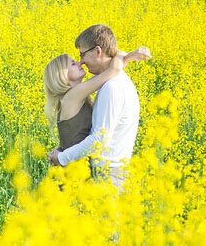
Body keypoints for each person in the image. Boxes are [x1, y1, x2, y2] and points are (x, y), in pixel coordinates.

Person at [46, 24, 151, 188]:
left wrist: (62, 156)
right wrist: (126, 56)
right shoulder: (76, 95)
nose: (81, 62)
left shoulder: (110, 86)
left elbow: (98, 138)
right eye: (73, 63)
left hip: (100, 174)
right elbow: (113, 68)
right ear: (62, 76)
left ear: (98, 51)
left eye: (81, 55)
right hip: (79, 175)